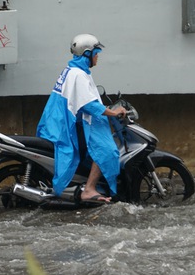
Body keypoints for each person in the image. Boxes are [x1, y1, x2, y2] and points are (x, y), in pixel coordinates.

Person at [36, 34, 127, 203]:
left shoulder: (73, 70)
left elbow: (84, 100)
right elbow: (89, 106)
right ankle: (89, 189)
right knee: (107, 150)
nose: (98, 56)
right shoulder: (78, 74)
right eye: (96, 52)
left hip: (61, 121)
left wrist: (105, 109)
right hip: (67, 125)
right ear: (87, 54)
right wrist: (113, 113)